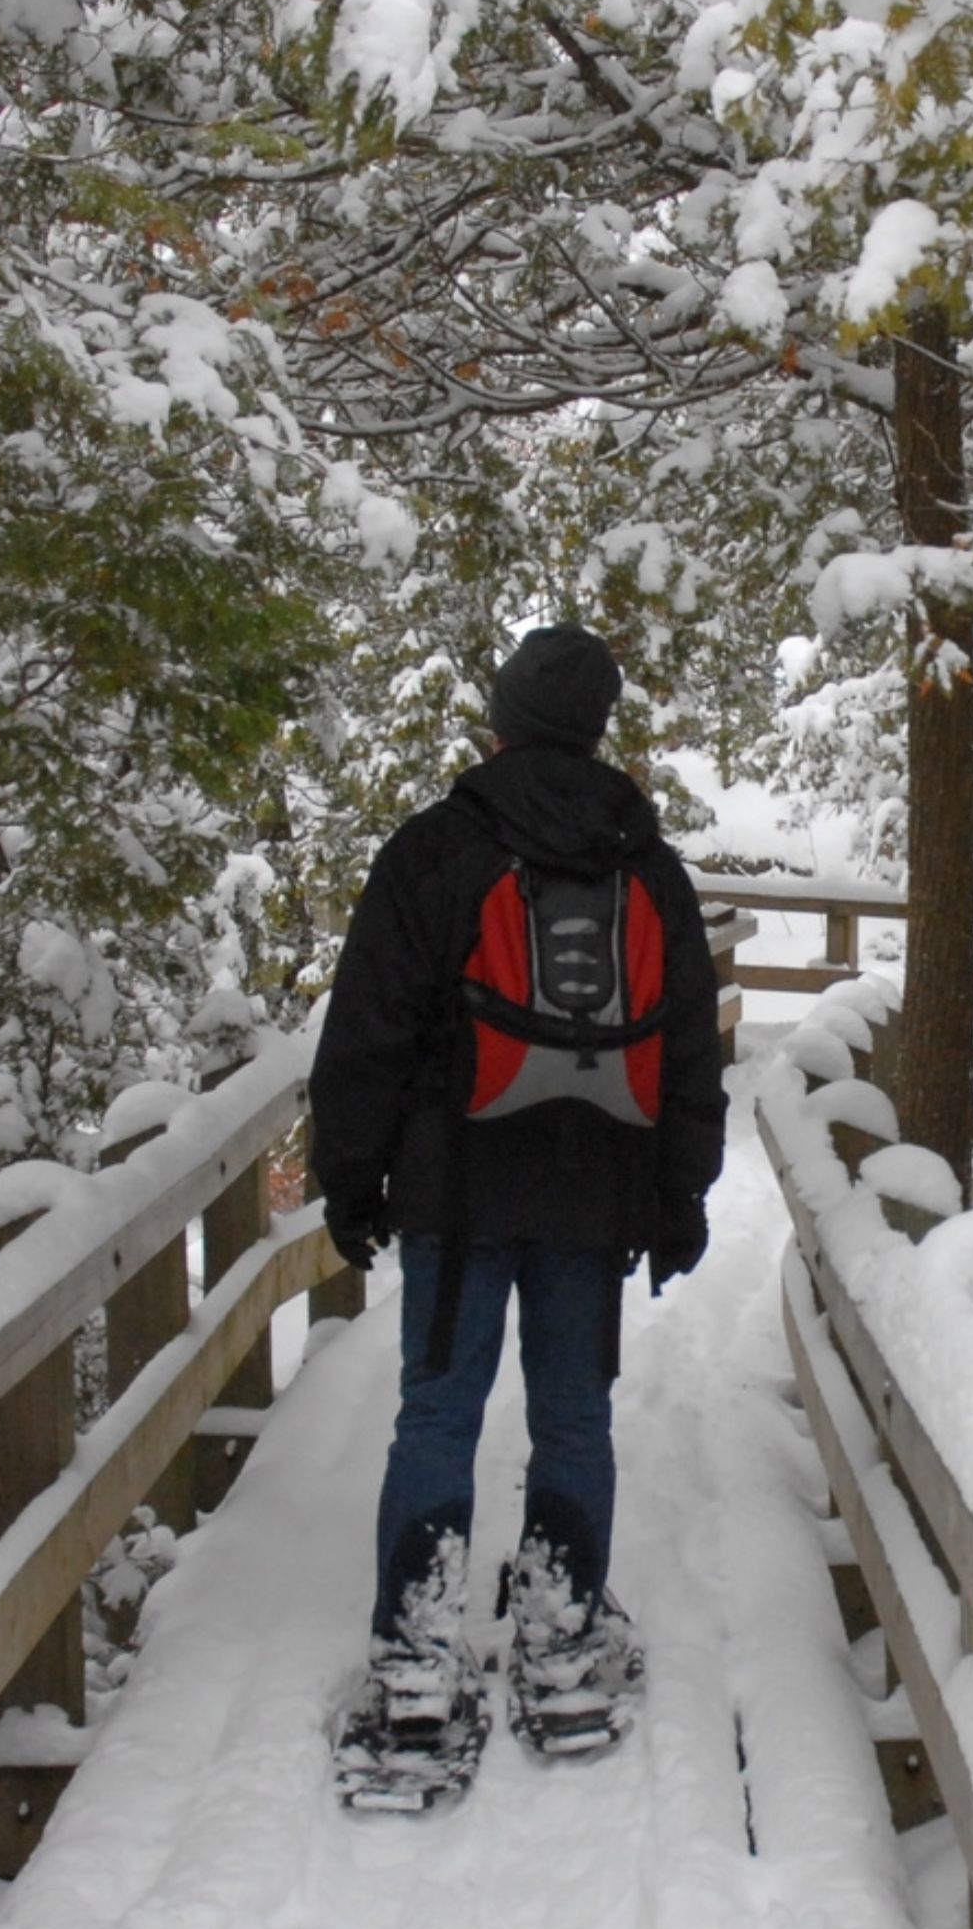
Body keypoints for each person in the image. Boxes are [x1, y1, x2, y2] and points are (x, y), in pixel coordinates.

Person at [308, 623, 726, 1810]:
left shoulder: (436, 851)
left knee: (436, 1412)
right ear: (599, 726)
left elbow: (369, 1030)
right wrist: (681, 1195)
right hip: (593, 1199)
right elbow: (692, 1049)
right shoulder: (646, 865)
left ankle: (418, 1656)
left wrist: (352, 1175)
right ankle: (559, 1632)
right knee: (573, 1417)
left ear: (500, 718)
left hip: (454, 1185)